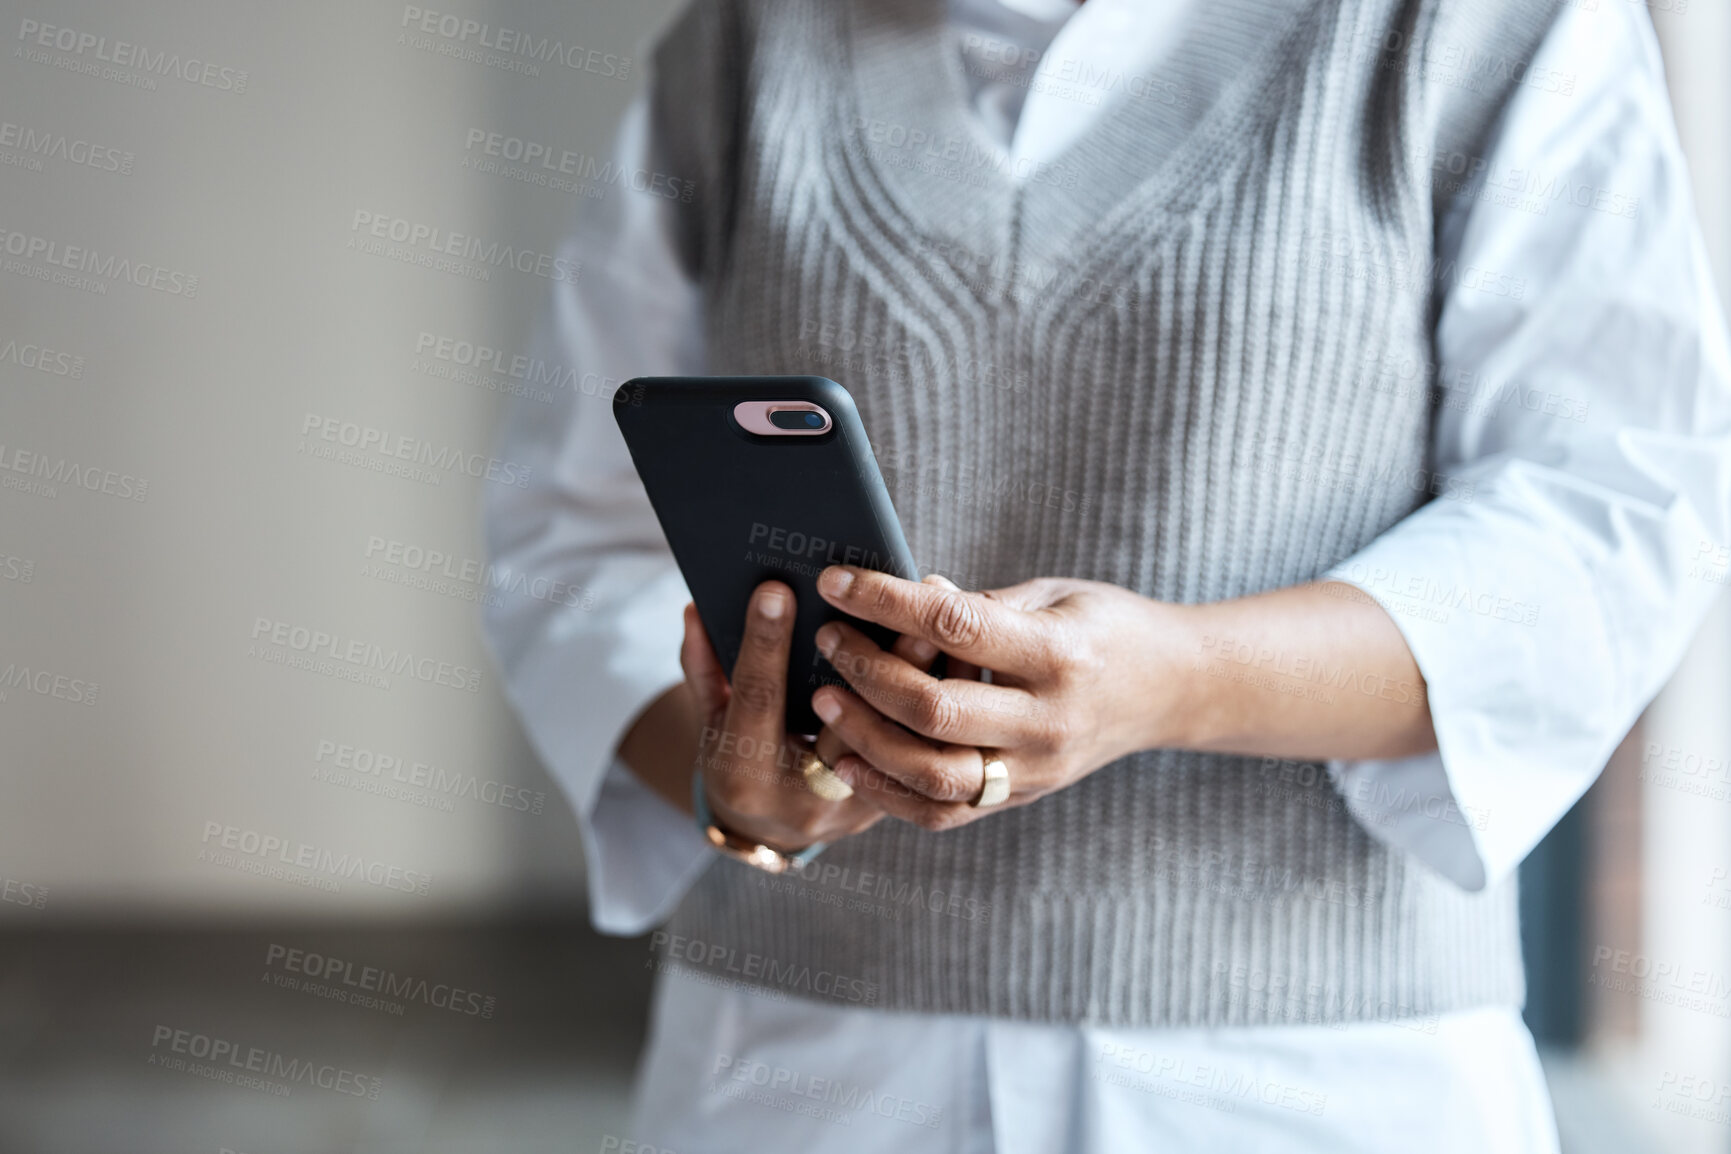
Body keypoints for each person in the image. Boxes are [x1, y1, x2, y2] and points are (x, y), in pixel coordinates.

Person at [483, 0, 1731, 1148]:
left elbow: (1604, 516)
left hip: (1315, 1069)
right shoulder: (745, 45)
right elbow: (573, 534)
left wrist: (1182, 681)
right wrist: (743, 792)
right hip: (799, 1061)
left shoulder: (1482, 27)